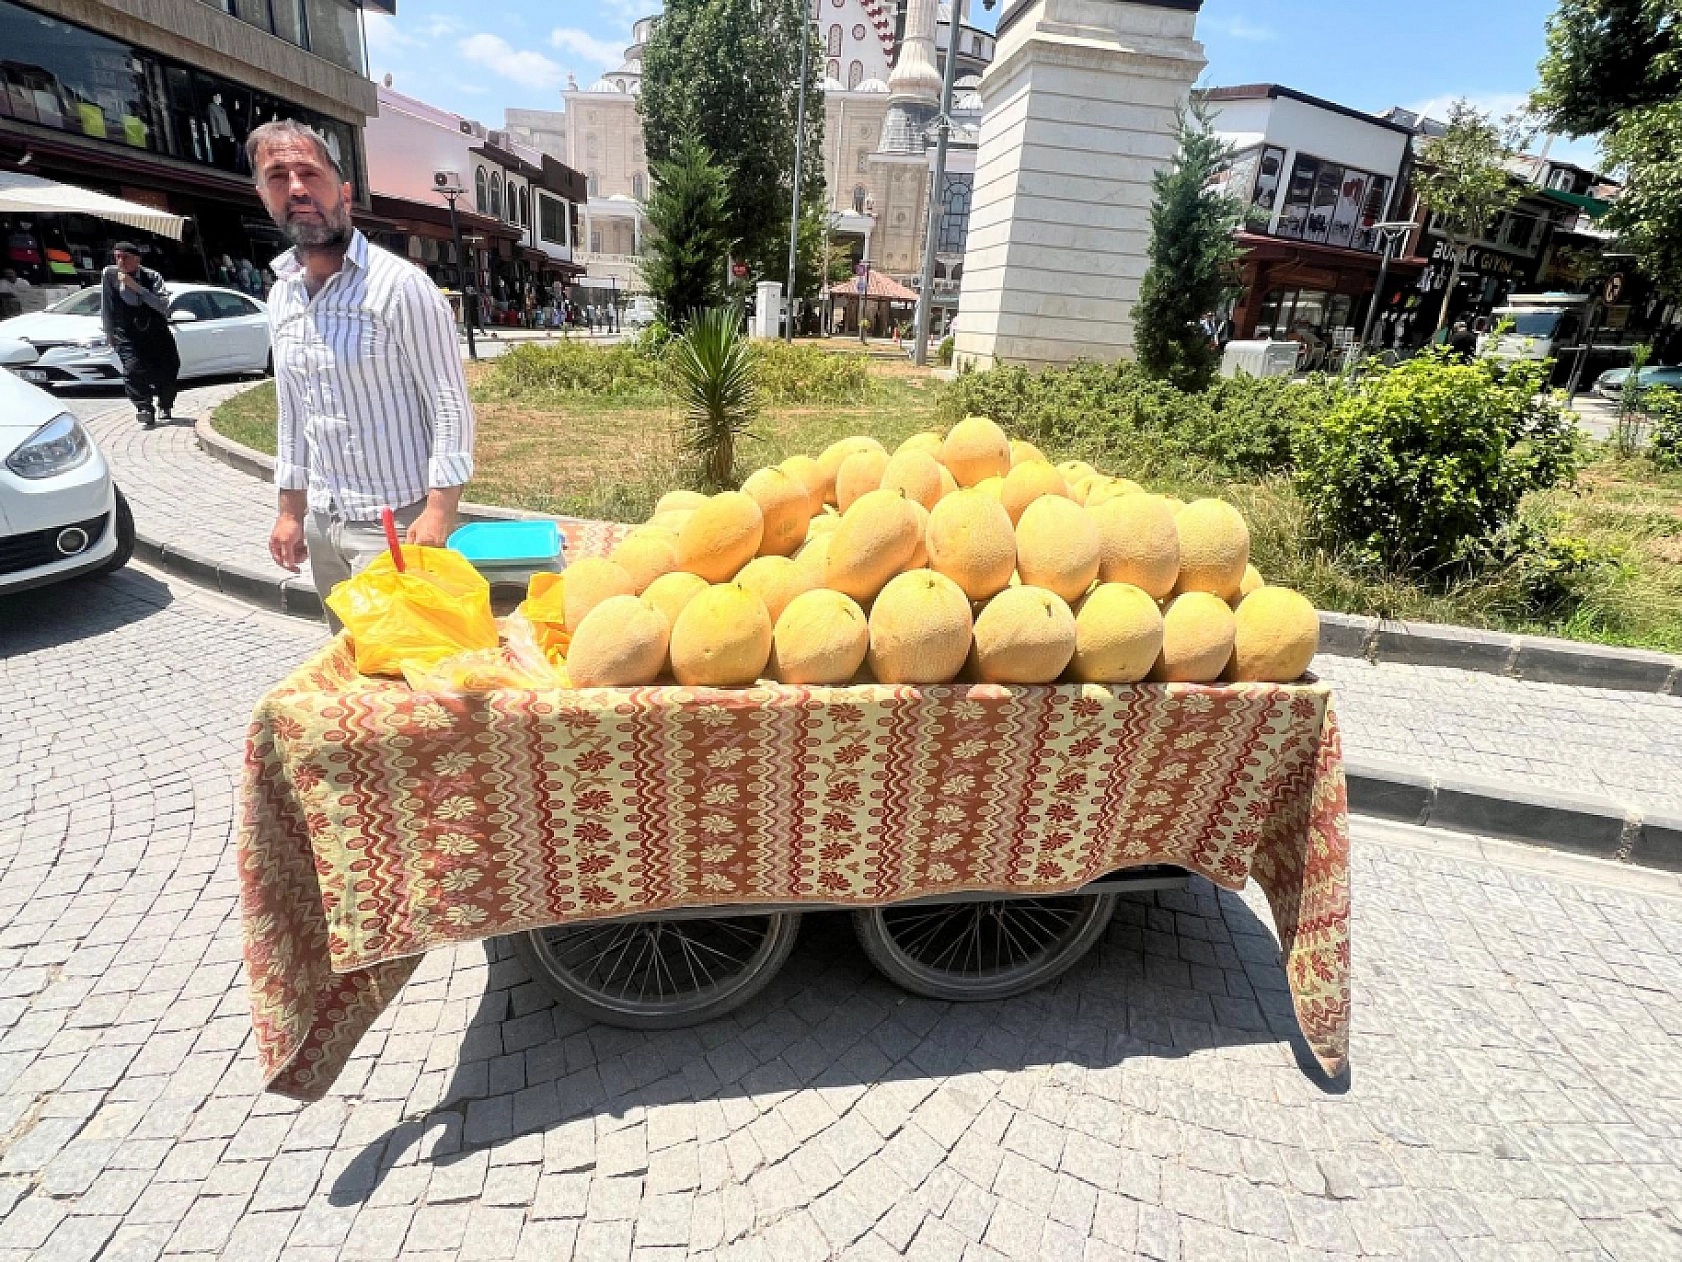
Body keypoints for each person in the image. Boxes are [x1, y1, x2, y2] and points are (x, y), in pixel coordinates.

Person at [250, 118, 475, 629]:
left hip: (397, 523)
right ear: (264, 196)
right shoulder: (282, 294)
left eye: (310, 172)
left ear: (344, 192)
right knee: (346, 659)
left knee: (405, 673)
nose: (297, 188)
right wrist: (291, 511)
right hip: (325, 522)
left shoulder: (398, 287)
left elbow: (449, 402)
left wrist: (440, 511)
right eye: (278, 176)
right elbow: (294, 413)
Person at [101, 243, 180, 429]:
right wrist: (109, 332)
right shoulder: (110, 275)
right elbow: (107, 306)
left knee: (169, 368)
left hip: (155, 331)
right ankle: (144, 408)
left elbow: (163, 306)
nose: (120, 262)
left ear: (137, 259)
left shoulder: (152, 277)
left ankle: (165, 405)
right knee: (133, 369)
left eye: (125, 257)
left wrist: (136, 288)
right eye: (117, 257)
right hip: (127, 333)